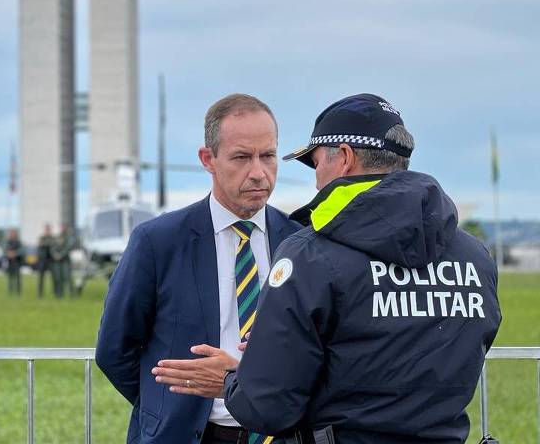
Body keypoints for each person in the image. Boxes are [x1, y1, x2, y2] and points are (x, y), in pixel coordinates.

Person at [168, 94, 500, 443]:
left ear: (343, 158)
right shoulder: (474, 257)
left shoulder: (309, 256)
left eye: (315, 164)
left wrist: (233, 380)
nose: (315, 181)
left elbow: (267, 408)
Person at [96, 94, 302, 443]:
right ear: (208, 159)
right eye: (241, 157)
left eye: (267, 156)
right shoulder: (157, 242)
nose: (258, 172)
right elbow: (115, 349)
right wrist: (165, 407)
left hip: (277, 435)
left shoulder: (301, 244)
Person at [52, 224, 74, 298]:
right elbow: (53, 247)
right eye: (61, 227)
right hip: (57, 261)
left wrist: (61, 255)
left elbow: (68, 248)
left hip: (65, 260)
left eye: (64, 227)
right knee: (58, 278)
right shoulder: (57, 237)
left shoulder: (69, 237)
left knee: (67, 277)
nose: (62, 228)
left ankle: (71, 294)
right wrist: (54, 254)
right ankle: (59, 294)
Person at [35, 223, 54, 298]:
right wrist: (47, 243)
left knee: (54, 278)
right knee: (41, 278)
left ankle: (55, 293)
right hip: (42, 260)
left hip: (51, 260)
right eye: (46, 229)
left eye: (48, 229)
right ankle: (40, 294)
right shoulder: (42, 238)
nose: (47, 231)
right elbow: (40, 245)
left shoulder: (52, 238)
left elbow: (53, 245)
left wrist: (46, 243)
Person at [4, 228, 23, 295]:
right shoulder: (8, 242)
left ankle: (18, 292)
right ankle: (10, 292)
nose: (12, 234)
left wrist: (15, 253)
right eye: (11, 233)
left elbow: (22, 251)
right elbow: (4, 250)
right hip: (9, 262)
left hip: (17, 262)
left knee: (18, 278)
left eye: (14, 233)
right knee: (10, 278)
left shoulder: (19, 242)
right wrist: (8, 254)